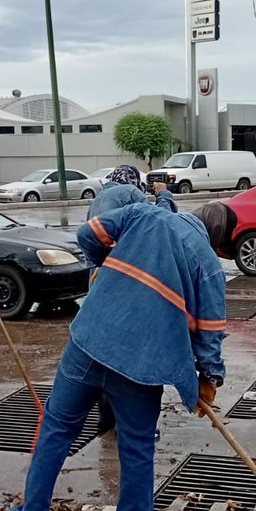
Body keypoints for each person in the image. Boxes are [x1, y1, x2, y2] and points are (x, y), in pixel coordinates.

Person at [0, 200, 227, 511]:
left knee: (56, 431)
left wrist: (106, 263)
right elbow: (211, 330)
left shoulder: (143, 215)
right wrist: (208, 378)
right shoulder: (208, 264)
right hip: (141, 363)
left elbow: (88, 234)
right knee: (137, 449)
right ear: (216, 238)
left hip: (90, 342)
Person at [83, 165, 176, 433]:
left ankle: (107, 418)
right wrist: (164, 195)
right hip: (126, 285)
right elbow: (161, 223)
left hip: (99, 285)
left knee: (105, 353)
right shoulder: (129, 193)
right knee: (136, 353)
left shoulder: (98, 200)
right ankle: (137, 423)